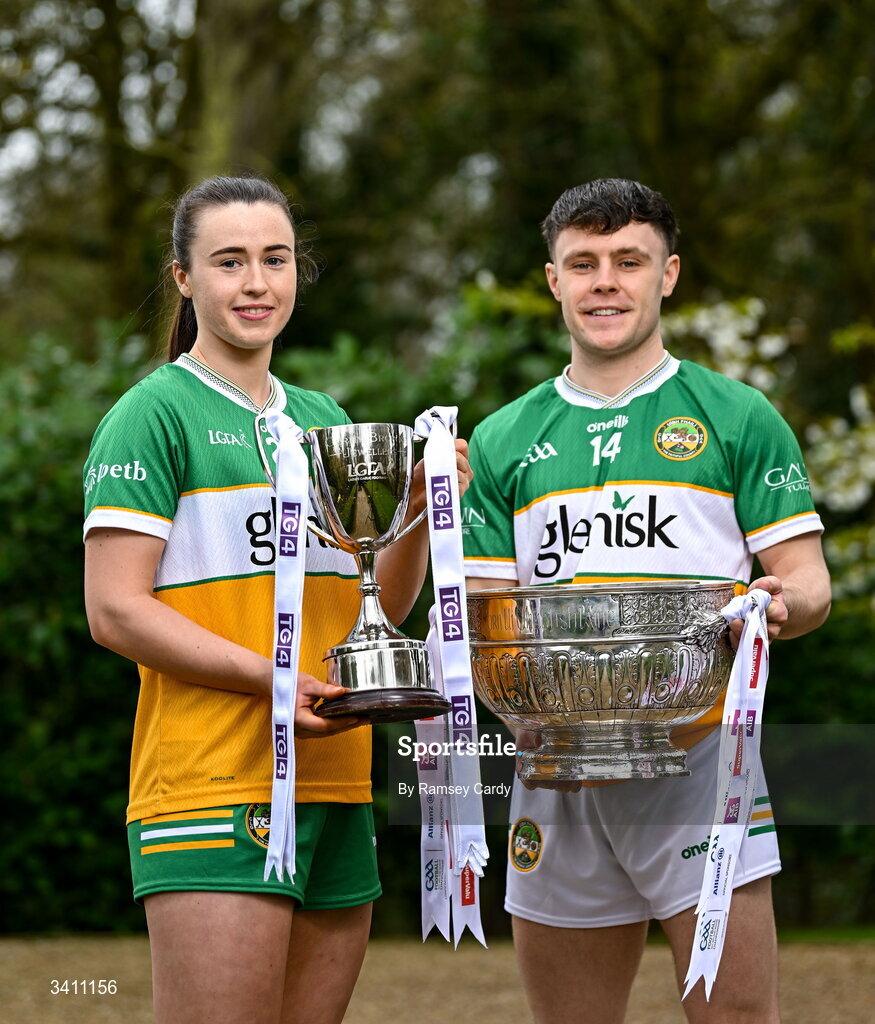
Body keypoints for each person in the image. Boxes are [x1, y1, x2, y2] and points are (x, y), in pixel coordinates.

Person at [83, 174, 472, 1024]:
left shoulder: (321, 418)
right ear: (184, 277)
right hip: (210, 783)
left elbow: (381, 605)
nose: (256, 283)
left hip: (336, 781)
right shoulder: (153, 415)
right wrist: (273, 681)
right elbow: (113, 610)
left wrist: (413, 507)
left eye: (275, 259)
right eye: (228, 262)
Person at [462, 178, 831, 1023]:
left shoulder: (737, 416)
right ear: (552, 281)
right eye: (581, 263)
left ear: (667, 274)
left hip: (700, 762)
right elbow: (486, 617)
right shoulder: (501, 437)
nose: (605, 282)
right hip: (554, 773)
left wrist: (781, 605)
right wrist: (512, 706)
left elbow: (807, 581)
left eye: (628, 261)